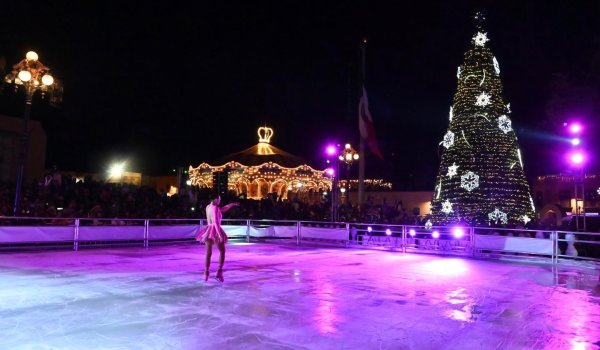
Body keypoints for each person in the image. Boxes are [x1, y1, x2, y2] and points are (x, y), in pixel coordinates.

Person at [195, 194, 239, 282]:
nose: (220, 201)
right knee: (222, 251)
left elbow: (223, 209)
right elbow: (215, 221)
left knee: (208, 252)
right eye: (219, 199)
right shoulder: (215, 207)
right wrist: (219, 234)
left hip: (208, 230)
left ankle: (206, 273)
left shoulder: (208, 207)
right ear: (215, 199)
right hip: (215, 230)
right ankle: (219, 271)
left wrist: (232, 204)